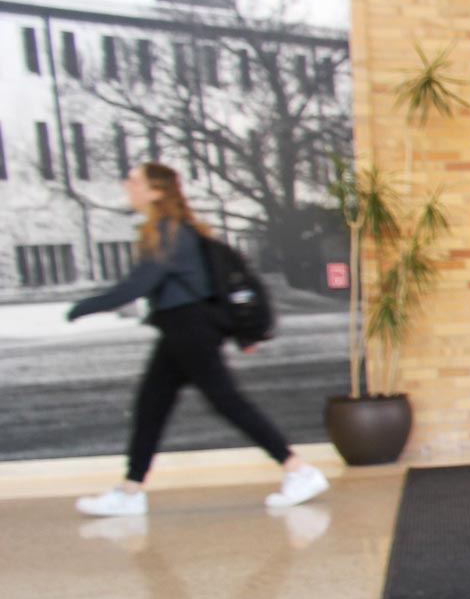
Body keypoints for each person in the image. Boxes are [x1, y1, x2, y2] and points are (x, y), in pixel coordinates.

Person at [67, 163, 328, 517]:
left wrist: (81, 307)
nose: (126, 184)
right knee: (151, 407)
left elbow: (137, 286)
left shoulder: (169, 233)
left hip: (190, 329)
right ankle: (130, 492)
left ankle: (298, 470)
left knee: (225, 402)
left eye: (133, 179)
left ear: (156, 190)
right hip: (180, 329)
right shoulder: (168, 231)